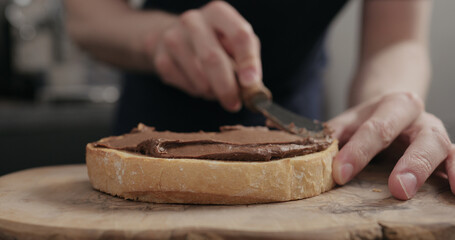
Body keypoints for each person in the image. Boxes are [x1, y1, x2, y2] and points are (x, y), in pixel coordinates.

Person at [65, 0, 455, 200]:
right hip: (149, 135)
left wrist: (384, 108)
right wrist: (157, 39)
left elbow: (397, 39)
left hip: (295, 130)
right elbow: (88, 17)